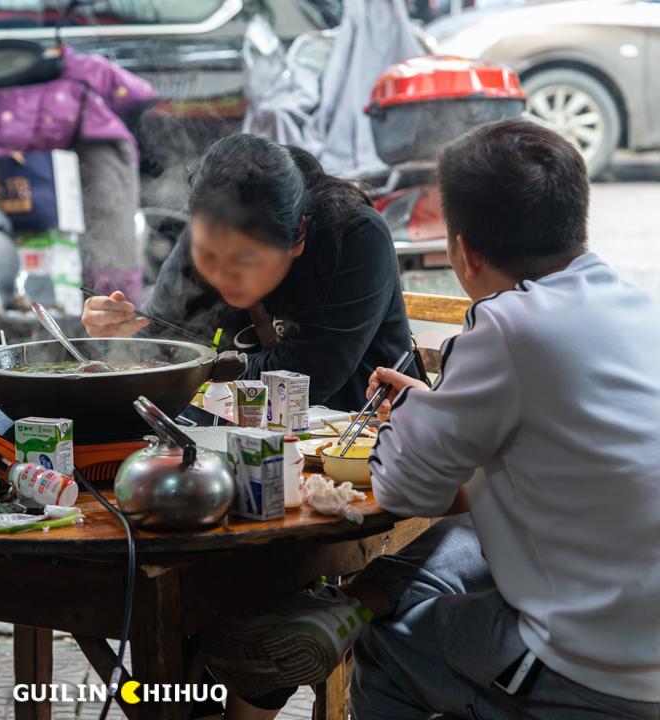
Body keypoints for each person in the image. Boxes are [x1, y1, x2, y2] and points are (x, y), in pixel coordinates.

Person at [201, 119, 660, 720]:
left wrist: (420, 414)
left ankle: (348, 615)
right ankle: (352, 604)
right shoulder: (635, 305)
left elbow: (406, 487)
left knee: (388, 646)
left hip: (597, 671)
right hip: (630, 615)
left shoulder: (504, 326)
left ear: (463, 253)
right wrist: (434, 403)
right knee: (448, 556)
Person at [82, 133, 416, 411]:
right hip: (240, 433)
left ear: (298, 235)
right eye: (208, 255)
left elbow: (302, 382)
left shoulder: (354, 236)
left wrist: (187, 363)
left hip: (364, 440)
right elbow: (154, 347)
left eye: (245, 260)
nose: (222, 274)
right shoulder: (207, 233)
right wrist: (112, 338)